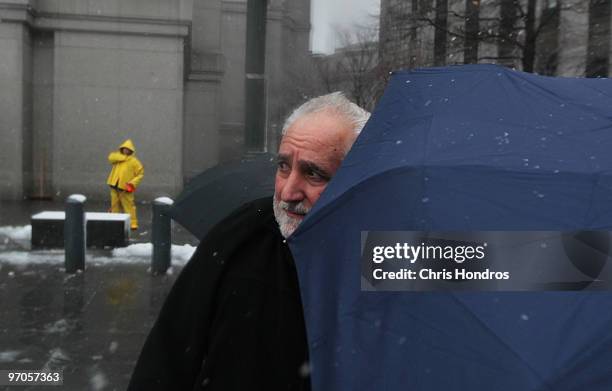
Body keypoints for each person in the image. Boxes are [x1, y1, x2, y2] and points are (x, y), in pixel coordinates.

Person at [127, 92, 370, 391]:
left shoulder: (391, 254)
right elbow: (168, 355)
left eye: (313, 173)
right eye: (283, 167)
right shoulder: (241, 234)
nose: (288, 192)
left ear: (356, 179)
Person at [106, 139, 144, 230]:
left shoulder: (134, 161)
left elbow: (140, 173)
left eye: (128, 149)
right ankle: (115, 221)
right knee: (115, 206)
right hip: (114, 185)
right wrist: (123, 158)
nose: (126, 150)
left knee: (129, 206)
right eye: (124, 149)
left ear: (131, 150)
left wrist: (132, 183)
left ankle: (133, 223)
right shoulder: (118, 158)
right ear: (121, 149)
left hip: (125, 187)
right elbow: (110, 157)